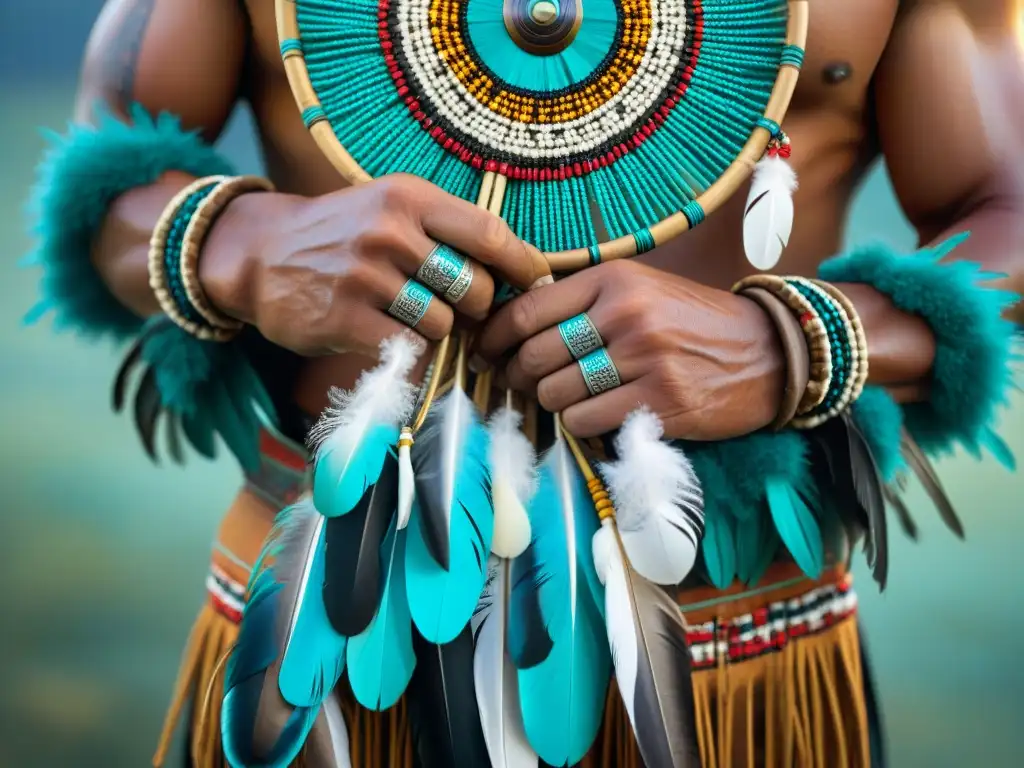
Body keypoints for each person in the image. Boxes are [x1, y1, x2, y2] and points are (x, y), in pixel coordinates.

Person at [26, 0, 1023, 766]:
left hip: (736, 645)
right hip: (325, 609)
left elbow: (1005, 202)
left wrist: (793, 343)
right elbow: (106, 169)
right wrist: (242, 243)